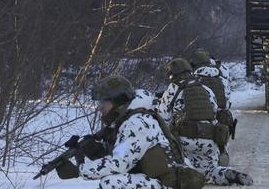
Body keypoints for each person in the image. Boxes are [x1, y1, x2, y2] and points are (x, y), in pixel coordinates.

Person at [55, 75, 205, 188]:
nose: (99, 107)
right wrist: (93, 151)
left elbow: (119, 165)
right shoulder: (126, 120)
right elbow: (124, 156)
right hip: (160, 180)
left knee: (111, 183)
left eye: (103, 102)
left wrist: (79, 170)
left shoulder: (137, 123)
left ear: (118, 101)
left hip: (170, 183)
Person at [158, 58, 252, 186]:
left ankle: (189, 176)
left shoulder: (173, 89)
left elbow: (163, 118)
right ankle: (225, 173)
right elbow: (215, 114)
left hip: (184, 142)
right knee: (210, 170)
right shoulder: (206, 89)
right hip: (209, 140)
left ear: (172, 74)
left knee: (181, 169)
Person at [189, 48, 235, 165]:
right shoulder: (221, 78)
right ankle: (222, 149)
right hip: (221, 120)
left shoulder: (192, 79)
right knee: (224, 118)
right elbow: (227, 100)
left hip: (201, 120)